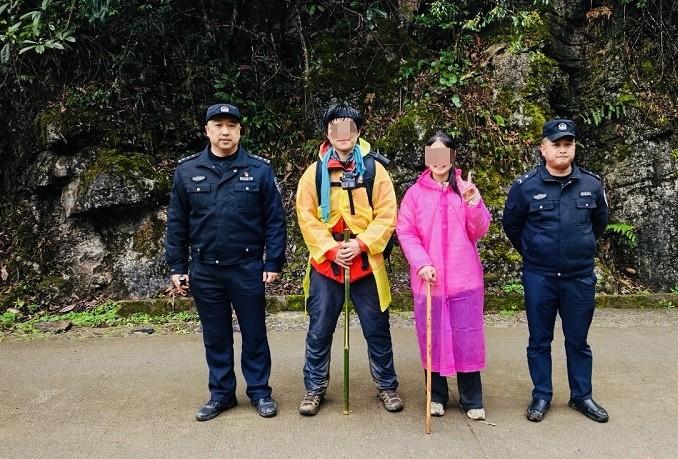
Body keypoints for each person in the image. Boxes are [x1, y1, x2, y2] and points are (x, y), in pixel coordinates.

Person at [165, 103, 287, 421]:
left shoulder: (259, 170)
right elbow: (177, 222)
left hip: (247, 267)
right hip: (205, 269)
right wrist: (177, 266)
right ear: (207, 130)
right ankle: (221, 395)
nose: (225, 131)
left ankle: (260, 392)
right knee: (215, 335)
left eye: (231, 125)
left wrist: (273, 262)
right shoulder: (187, 171)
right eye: (218, 125)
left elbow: (275, 220)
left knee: (254, 333)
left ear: (240, 131)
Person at [294, 103, 402, 416]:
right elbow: (306, 216)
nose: (343, 134)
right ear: (328, 133)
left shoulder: (374, 170)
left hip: (366, 262)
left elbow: (387, 214)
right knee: (319, 329)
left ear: (358, 132)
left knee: (376, 328)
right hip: (327, 264)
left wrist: (361, 243)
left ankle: (386, 386)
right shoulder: (314, 173)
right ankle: (314, 388)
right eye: (336, 128)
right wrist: (330, 248)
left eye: (349, 128)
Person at [501, 118, 609, 423]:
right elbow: (512, 226)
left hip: (579, 277)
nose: (562, 150)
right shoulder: (525, 187)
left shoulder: (591, 184)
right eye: (556, 144)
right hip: (540, 277)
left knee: (578, 341)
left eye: (568, 144)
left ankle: (582, 396)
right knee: (539, 340)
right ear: (543, 148)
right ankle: (542, 395)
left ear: (574, 147)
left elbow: (599, 224)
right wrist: (534, 251)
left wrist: (579, 248)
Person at [396, 131, 491, 420]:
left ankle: (471, 398)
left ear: (453, 156)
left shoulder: (465, 189)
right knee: (432, 336)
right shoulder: (414, 194)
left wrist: (474, 204)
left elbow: (479, 230)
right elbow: (406, 232)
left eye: (444, 153)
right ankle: (436, 395)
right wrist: (421, 263)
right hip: (430, 279)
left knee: (467, 337)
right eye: (433, 154)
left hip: (464, 278)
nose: (439, 160)